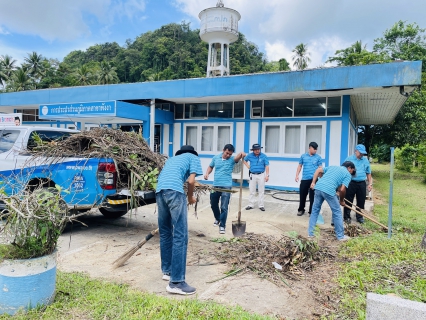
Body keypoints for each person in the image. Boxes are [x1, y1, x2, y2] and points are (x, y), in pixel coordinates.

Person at [156, 145, 203, 295]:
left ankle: (167, 271)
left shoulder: (172, 160)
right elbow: (190, 181)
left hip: (160, 191)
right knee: (181, 235)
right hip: (175, 192)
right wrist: (190, 197)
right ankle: (176, 282)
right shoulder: (193, 157)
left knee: (165, 232)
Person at [308, 161, 356, 241]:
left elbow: (318, 170)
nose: (351, 173)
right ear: (349, 168)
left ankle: (311, 234)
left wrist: (313, 182)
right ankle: (340, 236)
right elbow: (343, 189)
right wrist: (341, 201)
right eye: (352, 171)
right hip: (328, 191)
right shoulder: (347, 174)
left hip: (318, 187)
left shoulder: (333, 167)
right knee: (337, 212)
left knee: (315, 210)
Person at [204, 144, 246, 234]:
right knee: (213, 204)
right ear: (223, 150)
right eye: (227, 153)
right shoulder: (216, 158)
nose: (228, 155)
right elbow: (210, 166)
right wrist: (207, 173)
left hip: (226, 186)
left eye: (230, 154)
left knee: (224, 206)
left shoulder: (232, 160)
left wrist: (242, 153)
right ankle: (218, 218)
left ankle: (222, 225)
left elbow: (237, 158)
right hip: (215, 185)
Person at [343, 144, 372, 224]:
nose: (362, 154)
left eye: (363, 153)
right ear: (356, 151)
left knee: (361, 201)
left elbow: (368, 173)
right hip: (351, 182)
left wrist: (370, 184)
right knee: (348, 200)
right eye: (360, 153)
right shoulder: (349, 159)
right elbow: (343, 170)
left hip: (362, 183)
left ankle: (359, 217)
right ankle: (346, 217)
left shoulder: (365, 160)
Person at [295, 142, 322, 216]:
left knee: (313, 196)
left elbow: (320, 168)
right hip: (305, 179)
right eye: (314, 149)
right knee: (302, 195)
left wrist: (321, 177)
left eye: (316, 149)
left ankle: (311, 212)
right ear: (310, 148)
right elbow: (300, 166)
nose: (315, 150)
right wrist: (297, 175)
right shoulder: (303, 156)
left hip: (314, 180)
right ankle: (301, 209)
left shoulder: (318, 158)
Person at [243, 143, 270, 211]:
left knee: (261, 190)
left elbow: (267, 166)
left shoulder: (264, 156)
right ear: (253, 150)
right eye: (255, 150)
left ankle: (261, 205)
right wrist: (247, 166)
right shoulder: (250, 155)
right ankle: (251, 204)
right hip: (253, 175)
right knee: (252, 190)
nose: (257, 151)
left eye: (258, 149)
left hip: (261, 175)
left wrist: (267, 175)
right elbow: (244, 160)